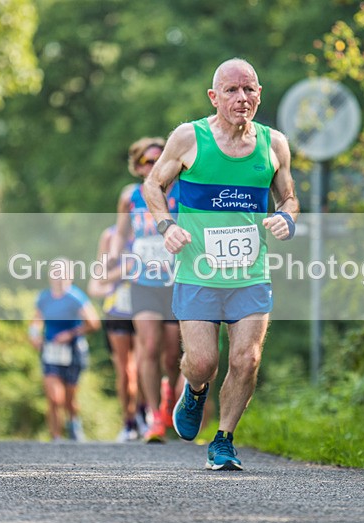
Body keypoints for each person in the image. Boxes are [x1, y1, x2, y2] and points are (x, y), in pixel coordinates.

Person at [142, 58, 299, 470]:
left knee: (246, 358)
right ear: (214, 97)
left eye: (249, 89)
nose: (241, 98)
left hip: (250, 272)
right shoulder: (188, 138)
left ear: (259, 94)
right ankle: (194, 391)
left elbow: (289, 198)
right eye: (231, 90)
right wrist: (166, 225)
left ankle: (224, 440)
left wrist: (286, 218)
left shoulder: (274, 144)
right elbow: (153, 184)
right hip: (199, 271)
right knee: (203, 362)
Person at [108, 137, 182, 443]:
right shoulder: (130, 197)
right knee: (148, 348)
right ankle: (154, 417)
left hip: (176, 280)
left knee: (172, 355)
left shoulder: (180, 192)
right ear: (138, 167)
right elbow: (121, 232)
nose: (153, 166)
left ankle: (168, 399)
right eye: (147, 162)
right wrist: (114, 255)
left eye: (158, 160)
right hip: (142, 281)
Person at [29, 258, 101, 442]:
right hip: (51, 351)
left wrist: (71, 333)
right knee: (54, 398)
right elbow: (36, 321)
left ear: (70, 275)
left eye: (63, 273)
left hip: (73, 351)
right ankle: (56, 438)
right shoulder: (44, 297)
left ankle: (73, 423)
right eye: (56, 273)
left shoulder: (76, 297)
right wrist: (34, 335)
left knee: (69, 400)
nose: (59, 277)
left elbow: (94, 323)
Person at [88, 226, 145, 442]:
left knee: (143, 365)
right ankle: (128, 420)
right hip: (117, 312)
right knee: (126, 371)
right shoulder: (110, 236)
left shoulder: (148, 232)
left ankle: (144, 413)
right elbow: (97, 281)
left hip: (144, 306)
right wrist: (123, 272)